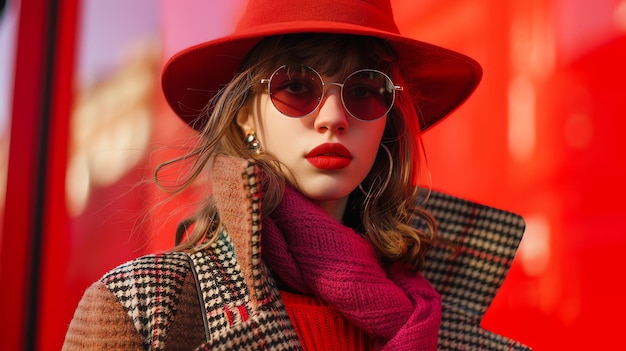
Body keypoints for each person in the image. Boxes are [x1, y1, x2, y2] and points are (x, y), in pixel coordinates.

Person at [63, 0, 532, 350]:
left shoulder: (442, 315)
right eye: (296, 87)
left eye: (365, 91)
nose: (332, 117)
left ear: (387, 121)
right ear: (245, 115)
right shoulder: (145, 309)